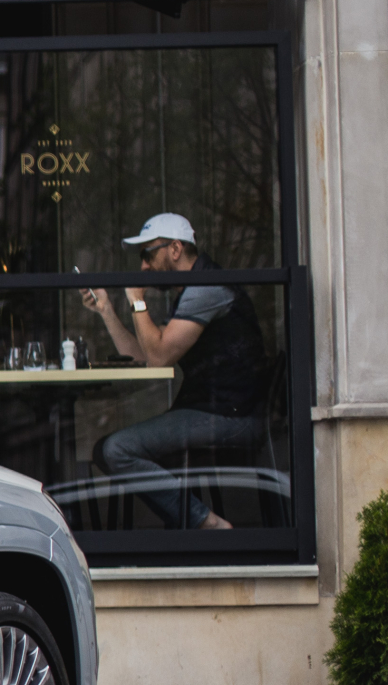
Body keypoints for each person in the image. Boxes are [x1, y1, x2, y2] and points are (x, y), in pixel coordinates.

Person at [79, 213, 269, 530]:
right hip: (213, 411)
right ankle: (188, 524)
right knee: (107, 449)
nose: (143, 267)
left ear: (175, 249)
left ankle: (206, 525)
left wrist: (138, 300)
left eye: (148, 255)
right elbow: (144, 356)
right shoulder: (190, 291)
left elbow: (158, 358)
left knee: (116, 449)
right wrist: (107, 311)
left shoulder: (206, 288)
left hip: (230, 418)